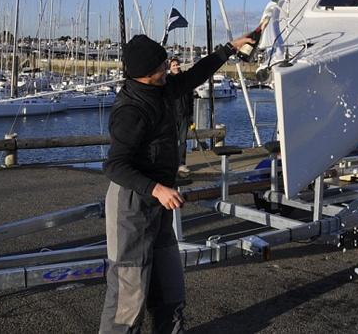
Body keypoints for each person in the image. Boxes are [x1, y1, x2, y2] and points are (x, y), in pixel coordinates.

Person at [99, 34, 252, 334]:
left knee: (169, 288)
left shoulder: (162, 88)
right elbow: (115, 165)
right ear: (145, 73)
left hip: (159, 202)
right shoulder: (130, 110)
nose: (168, 68)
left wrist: (229, 48)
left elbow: (195, 75)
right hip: (131, 204)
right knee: (129, 297)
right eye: (162, 65)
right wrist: (157, 189)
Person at [168, 57, 192, 175]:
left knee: (183, 141)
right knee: (171, 141)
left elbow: (191, 99)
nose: (176, 66)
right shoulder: (167, 81)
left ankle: (181, 163)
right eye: (173, 65)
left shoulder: (185, 80)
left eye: (177, 64)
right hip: (171, 116)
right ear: (170, 67)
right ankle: (171, 164)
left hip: (184, 115)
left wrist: (191, 115)